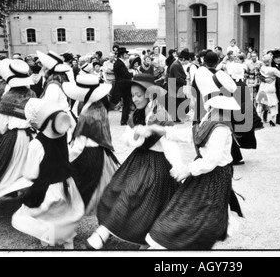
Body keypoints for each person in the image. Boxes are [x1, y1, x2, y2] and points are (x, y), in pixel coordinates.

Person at [143, 69, 243, 250]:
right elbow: (192, 134)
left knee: (197, 218)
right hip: (204, 174)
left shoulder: (220, 124)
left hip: (214, 177)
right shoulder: (212, 114)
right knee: (185, 212)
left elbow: (212, 160)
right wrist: (164, 131)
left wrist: (188, 169)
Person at [86, 74, 182, 250]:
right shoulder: (136, 114)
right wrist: (136, 134)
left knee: (138, 197)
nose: (135, 99)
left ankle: (143, 239)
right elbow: (126, 138)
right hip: (138, 160)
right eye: (133, 95)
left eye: (139, 94)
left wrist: (178, 167)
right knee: (116, 189)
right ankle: (105, 231)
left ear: (150, 94)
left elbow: (171, 145)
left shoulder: (161, 115)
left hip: (157, 164)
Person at [11, 98, 85, 250]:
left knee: (44, 216)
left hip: (49, 189)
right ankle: (67, 242)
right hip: (67, 184)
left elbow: (31, 173)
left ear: (33, 122)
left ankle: (47, 241)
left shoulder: (36, 144)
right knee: (64, 215)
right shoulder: (63, 134)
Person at [63, 75, 119, 215]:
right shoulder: (100, 106)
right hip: (102, 153)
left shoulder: (87, 114)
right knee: (101, 191)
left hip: (88, 155)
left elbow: (79, 146)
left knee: (78, 190)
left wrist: (65, 159)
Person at [0, 59, 36, 204]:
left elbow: (1, 125)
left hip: (15, 137)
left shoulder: (7, 97)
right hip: (32, 136)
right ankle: (29, 195)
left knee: (6, 169)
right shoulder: (31, 93)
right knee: (30, 167)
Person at [36, 50, 77, 141]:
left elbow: (50, 107)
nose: (42, 68)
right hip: (62, 118)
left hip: (59, 121)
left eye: (44, 66)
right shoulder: (59, 78)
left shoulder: (53, 85)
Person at [113, 47, 134, 125]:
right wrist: (133, 73)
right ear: (122, 55)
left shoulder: (119, 62)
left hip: (122, 85)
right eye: (125, 54)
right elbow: (126, 75)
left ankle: (125, 120)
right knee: (126, 103)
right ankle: (124, 120)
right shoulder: (120, 63)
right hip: (123, 85)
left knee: (126, 103)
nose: (127, 55)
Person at [167, 49, 188, 123]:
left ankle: (176, 118)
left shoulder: (177, 64)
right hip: (175, 86)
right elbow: (178, 78)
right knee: (177, 103)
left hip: (175, 86)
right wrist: (185, 82)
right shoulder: (176, 65)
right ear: (183, 59)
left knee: (177, 103)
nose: (187, 62)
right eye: (186, 61)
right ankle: (175, 118)